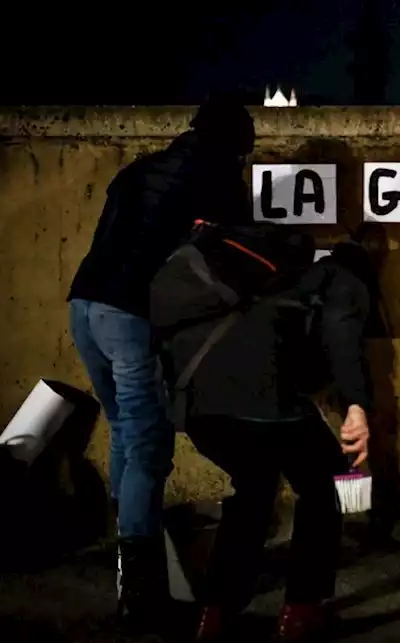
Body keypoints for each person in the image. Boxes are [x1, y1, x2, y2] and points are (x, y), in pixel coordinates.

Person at [66, 97, 254, 626]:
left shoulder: (142, 168)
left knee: (127, 433)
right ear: (234, 145)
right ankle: (141, 591)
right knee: (148, 442)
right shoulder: (213, 176)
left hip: (84, 306)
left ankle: (129, 573)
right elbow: (236, 248)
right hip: (127, 314)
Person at [152, 231, 372, 643]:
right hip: (263, 409)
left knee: (253, 489)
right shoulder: (344, 280)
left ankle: (215, 613)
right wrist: (356, 406)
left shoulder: (256, 283)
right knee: (327, 486)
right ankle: (301, 612)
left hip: (200, 408)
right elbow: (342, 339)